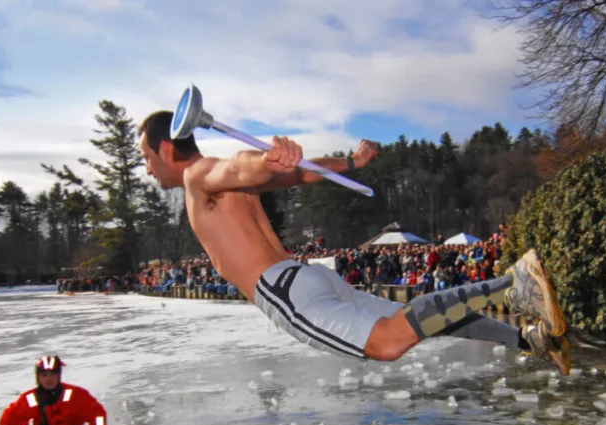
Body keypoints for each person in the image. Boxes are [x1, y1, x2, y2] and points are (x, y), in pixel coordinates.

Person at [136, 111, 572, 374]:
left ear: (166, 150)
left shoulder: (197, 176)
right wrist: (349, 161)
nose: (148, 170)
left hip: (283, 292)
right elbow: (301, 172)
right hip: (304, 278)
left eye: (146, 158)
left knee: (387, 341)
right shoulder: (215, 188)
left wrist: (263, 159)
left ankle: (511, 285)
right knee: (415, 321)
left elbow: (238, 168)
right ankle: (528, 339)